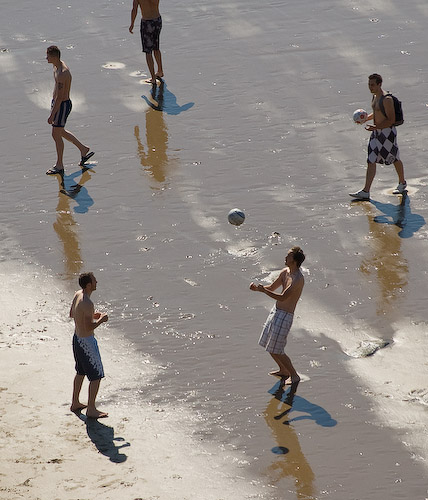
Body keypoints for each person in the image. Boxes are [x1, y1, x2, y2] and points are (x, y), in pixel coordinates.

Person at [250, 247, 305, 385]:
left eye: (289, 256)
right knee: (269, 345)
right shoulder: (285, 272)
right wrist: (258, 289)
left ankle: (294, 375)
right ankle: (283, 370)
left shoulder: (298, 279)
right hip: (276, 312)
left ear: (295, 260)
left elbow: (282, 297)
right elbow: (272, 288)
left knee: (278, 349)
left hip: (285, 315)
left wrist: (263, 291)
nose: (285, 257)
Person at [349, 73, 406, 200]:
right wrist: (365, 119)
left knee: (394, 158)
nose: (370, 87)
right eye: (369, 85)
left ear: (380, 84)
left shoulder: (387, 99)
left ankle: (402, 183)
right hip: (376, 133)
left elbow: (391, 120)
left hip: (387, 133)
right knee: (371, 160)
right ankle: (366, 191)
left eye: (373, 85)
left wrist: (376, 127)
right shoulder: (375, 97)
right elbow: (376, 112)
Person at [46, 45, 94, 175]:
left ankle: (60, 165)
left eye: (48, 56)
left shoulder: (63, 72)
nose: (46, 58)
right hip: (57, 103)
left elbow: (61, 97)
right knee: (59, 131)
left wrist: (52, 115)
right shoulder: (56, 66)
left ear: (54, 56)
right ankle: (83, 149)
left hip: (62, 105)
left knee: (55, 134)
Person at [69, 272, 109, 418]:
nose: (96, 282)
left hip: (76, 339)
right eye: (94, 281)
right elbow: (89, 327)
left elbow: (73, 314)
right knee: (96, 376)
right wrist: (101, 319)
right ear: (88, 285)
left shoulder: (77, 294)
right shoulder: (88, 303)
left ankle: (75, 402)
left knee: (80, 372)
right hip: (86, 342)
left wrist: (91, 315)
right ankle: (91, 409)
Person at [129, 0, 164, 85]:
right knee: (156, 47)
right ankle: (160, 71)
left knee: (148, 51)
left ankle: (153, 78)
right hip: (157, 20)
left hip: (147, 22)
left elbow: (134, 9)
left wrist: (132, 24)